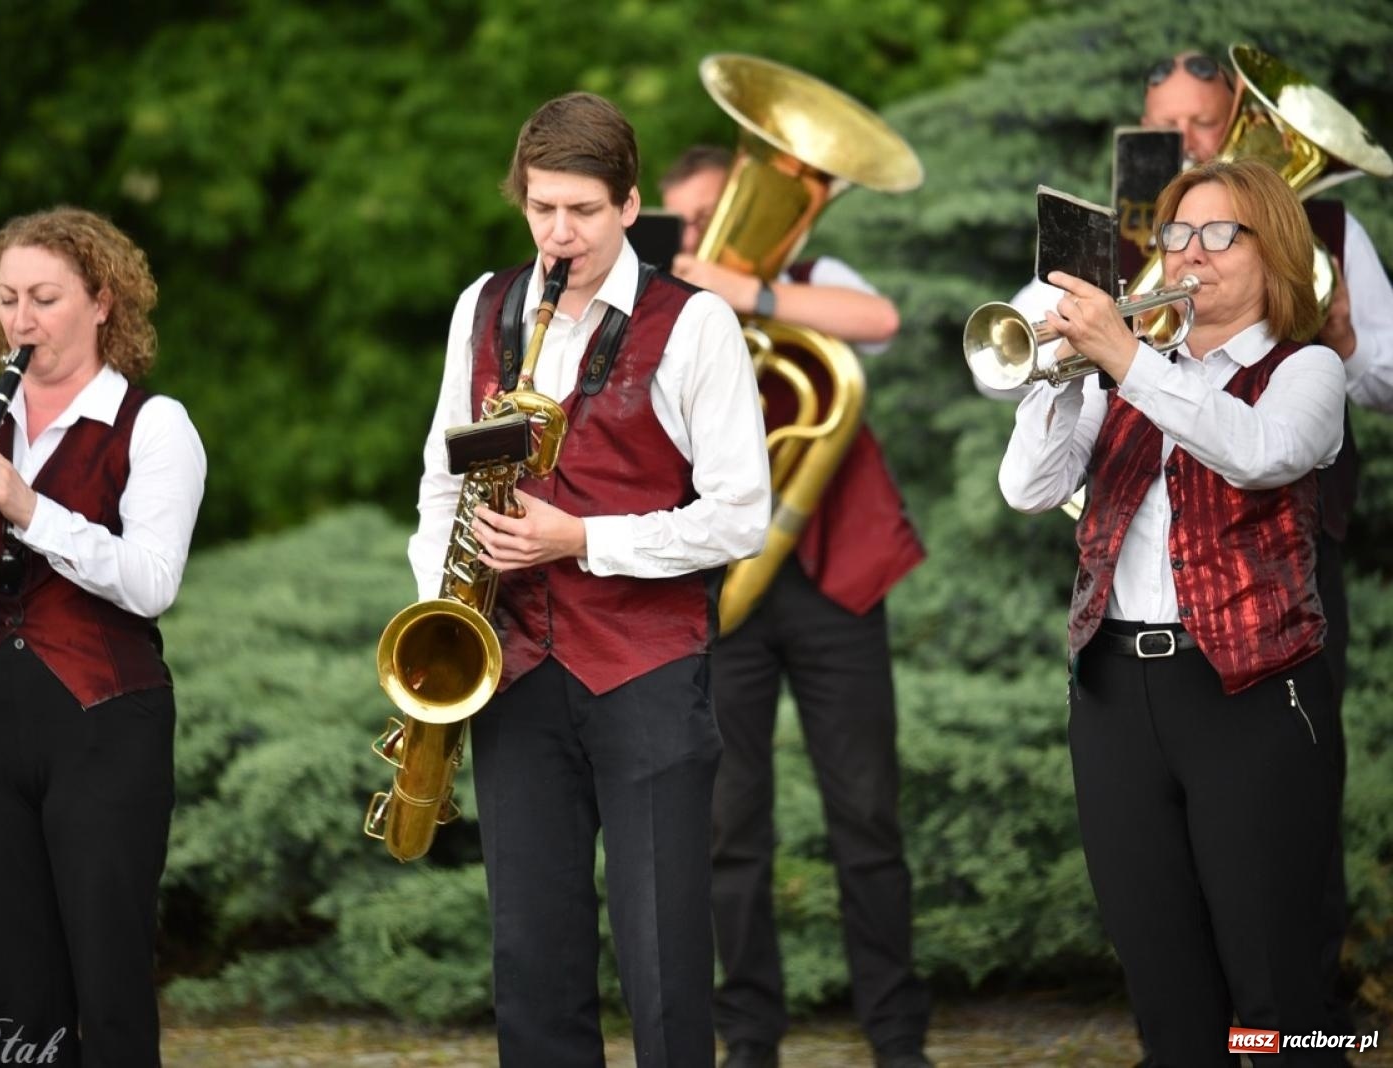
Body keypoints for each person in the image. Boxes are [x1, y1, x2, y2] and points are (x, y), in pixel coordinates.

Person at [406, 95, 771, 1068]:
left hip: (648, 671)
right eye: (540, 210)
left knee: (662, 964)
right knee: (530, 957)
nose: (558, 235)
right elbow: (442, 481)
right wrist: (443, 607)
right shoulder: (482, 307)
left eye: (582, 212)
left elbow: (741, 514)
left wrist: (581, 538)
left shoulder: (693, 325)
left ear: (629, 205)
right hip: (510, 666)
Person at [999, 159, 1347, 1064]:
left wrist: (1125, 359)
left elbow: (1260, 455)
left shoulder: (1302, 369)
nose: (1190, 255)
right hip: (1115, 693)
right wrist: (1065, 374)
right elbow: (1028, 489)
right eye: (1177, 236)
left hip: (1250, 696)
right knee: (1159, 965)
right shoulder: (1129, 369)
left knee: (1272, 975)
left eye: (1218, 235)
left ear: (1273, 251)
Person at [0, 206, 206, 1067]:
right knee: (15, 994)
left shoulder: (155, 424)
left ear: (103, 301)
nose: (21, 322)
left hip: (108, 725)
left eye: (46, 299)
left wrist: (28, 508)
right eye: (8, 299)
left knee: (108, 982)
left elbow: (150, 583)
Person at [661, 147, 933, 1068]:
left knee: (866, 818)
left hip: (835, 588)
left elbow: (881, 320)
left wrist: (752, 295)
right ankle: (750, 1040)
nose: (699, 239)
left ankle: (898, 1038)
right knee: (729, 829)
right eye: (685, 226)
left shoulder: (812, 278)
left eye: (713, 216)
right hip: (721, 593)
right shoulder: (667, 312)